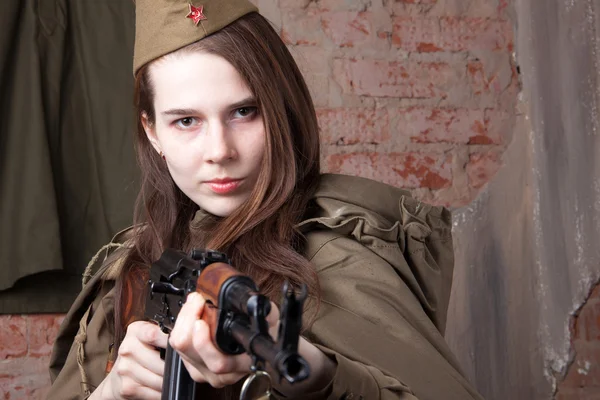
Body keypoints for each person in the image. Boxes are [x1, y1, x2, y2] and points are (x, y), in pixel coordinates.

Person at [47, 0, 484, 399]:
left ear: (280, 111)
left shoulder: (336, 258)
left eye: (243, 112)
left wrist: (317, 375)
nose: (220, 150)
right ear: (152, 131)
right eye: (186, 121)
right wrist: (110, 392)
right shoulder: (132, 262)